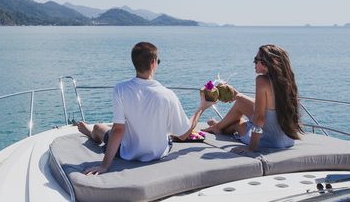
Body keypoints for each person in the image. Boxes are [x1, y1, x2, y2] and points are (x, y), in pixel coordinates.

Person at [77, 42, 212, 175]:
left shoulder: (121, 89)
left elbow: (118, 130)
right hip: (158, 153)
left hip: (127, 153)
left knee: (99, 128)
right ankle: (91, 132)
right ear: (153, 63)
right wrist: (202, 107)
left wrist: (104, 165)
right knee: (169, 129)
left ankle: (91, 133)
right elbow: (183, 135)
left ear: (134, 63)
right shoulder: (168, 95)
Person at [203, 44, 303, 153]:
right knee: (240, 102)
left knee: (238, 124)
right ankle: (218, 126)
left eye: (256, 60)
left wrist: (251, 148)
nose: (254, 63)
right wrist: (238, 95)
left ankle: (219, 127)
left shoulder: (261, 80)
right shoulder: (287, 80)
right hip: (287, 140)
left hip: (269, 141)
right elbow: (270, 105)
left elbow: (259, 118)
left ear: (267, 62)